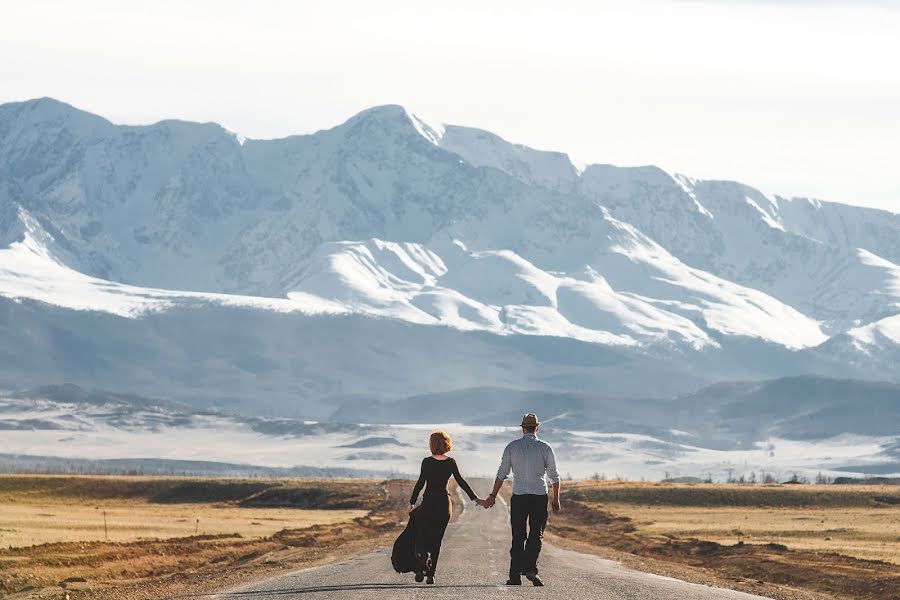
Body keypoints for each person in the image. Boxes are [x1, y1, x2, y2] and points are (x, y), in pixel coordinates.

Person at [483, 413, 560, 586]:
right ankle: (531, 569)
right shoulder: (545, 448)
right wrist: (556, 499)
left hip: (519, 496)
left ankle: (515, 575)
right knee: (536, 534)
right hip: (539, 496)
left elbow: (502, 474)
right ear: (537, 428)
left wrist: (493, 495)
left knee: (518, 535)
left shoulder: (512, 447)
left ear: (522, 428)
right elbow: (554, 476)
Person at [407, 430, 486, 584]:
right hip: (444, 504)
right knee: (437, 539)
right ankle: (431, 574)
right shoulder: (451, 462)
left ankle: (422, 562)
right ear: (446, 444)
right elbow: (461, 482)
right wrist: (475, 498)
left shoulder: (426, 462)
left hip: (429, 503)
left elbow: (420, 482)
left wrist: (412, 502)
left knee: (422, 534)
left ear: (432, 444)